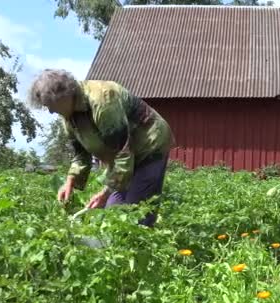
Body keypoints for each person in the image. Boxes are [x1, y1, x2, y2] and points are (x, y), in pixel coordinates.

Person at [27, 69, 173, 227]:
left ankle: (142, 244)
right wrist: (70, 181)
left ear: (65, 95)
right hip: (123, 158)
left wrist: (105, 192)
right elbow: (80, 155)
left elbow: (122, 153)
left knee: (137, 214)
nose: (50, 111)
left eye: (50, 105)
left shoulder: (103, 100)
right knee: (113, 212)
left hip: (149, 146)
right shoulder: (68, 118)